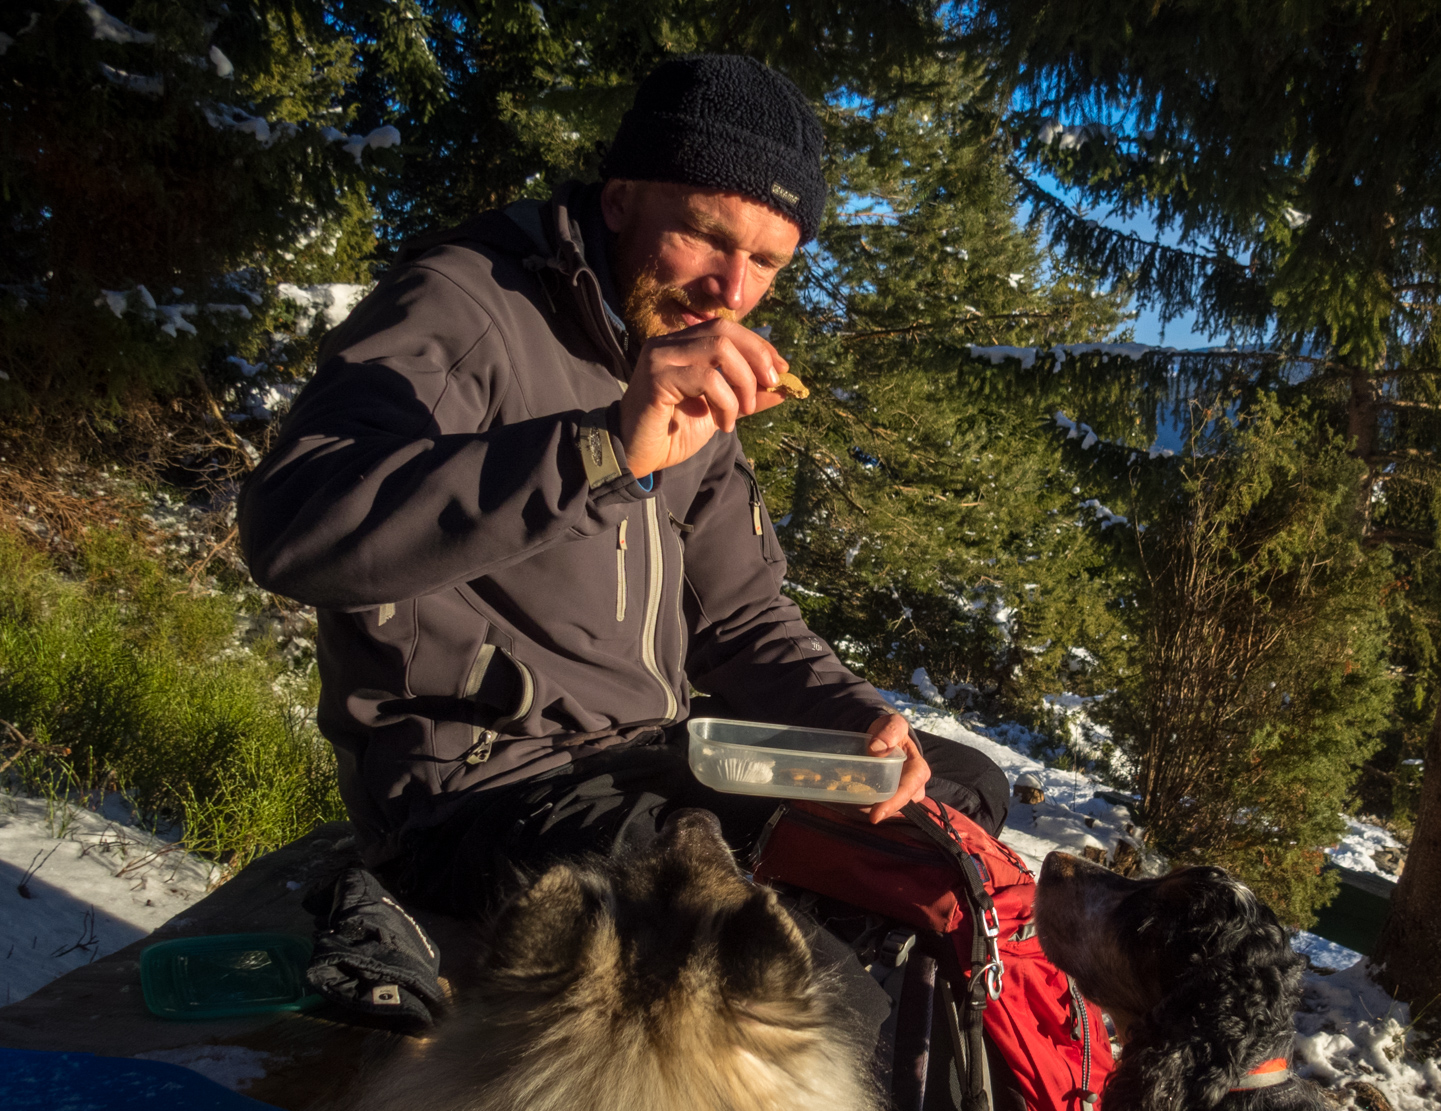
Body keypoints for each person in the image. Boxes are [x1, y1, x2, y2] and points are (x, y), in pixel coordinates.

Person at [238, 54, 1009, 922]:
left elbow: (742, 619)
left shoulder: (680, 357)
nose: (732, 290)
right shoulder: (464, 305)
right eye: (708, 237)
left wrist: (853, 718)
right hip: (479, 788)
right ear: (618, 200)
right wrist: (601, 452)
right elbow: (293, 528)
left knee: (960, 793)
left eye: (766, 262)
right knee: (800, 979)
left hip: (656, 752)